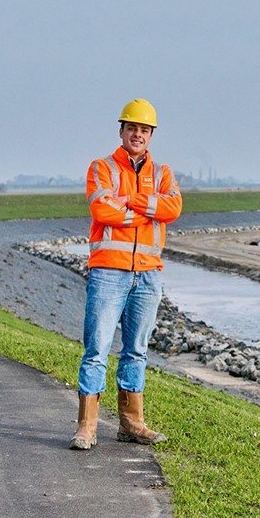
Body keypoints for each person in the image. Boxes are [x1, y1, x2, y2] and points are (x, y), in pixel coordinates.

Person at [70, 99, 182, 450]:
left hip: (147, 275)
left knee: (136, 351)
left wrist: (129, 201)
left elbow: (174, 207)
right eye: (132, 128)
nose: (138, 134)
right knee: (97, 349)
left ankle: (132, 424)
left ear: (151, 135)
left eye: (144, 130)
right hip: (108, 272)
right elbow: (102, 210)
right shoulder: (101, 167)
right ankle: (86, 427)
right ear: (121, 131)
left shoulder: (163, 172)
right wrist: (147, 209)